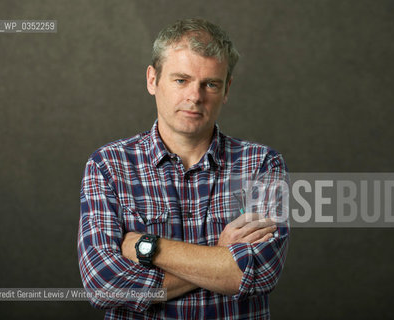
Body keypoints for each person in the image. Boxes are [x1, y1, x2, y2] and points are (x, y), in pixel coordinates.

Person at [78, 18, 289, 320]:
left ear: (227, 88)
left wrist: (145, 246)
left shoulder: (262, 165)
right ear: (153, 80)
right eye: (181, 80)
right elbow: (104, 285)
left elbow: (259, 274)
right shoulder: (108, 166)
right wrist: (220, 255)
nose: (195, 96)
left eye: (211, 84)